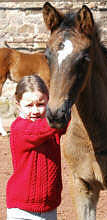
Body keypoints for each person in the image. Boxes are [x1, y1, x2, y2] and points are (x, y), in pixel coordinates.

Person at [6, 75, 68, 220]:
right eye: (29, 105)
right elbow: (46, 127)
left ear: (48, 101)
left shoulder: (51, 127)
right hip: (21, 211)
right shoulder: (19, 128)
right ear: (18, 104)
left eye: (40, 104)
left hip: (49, 209)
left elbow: (74, 121)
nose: (35, 110)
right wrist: (66, 105)